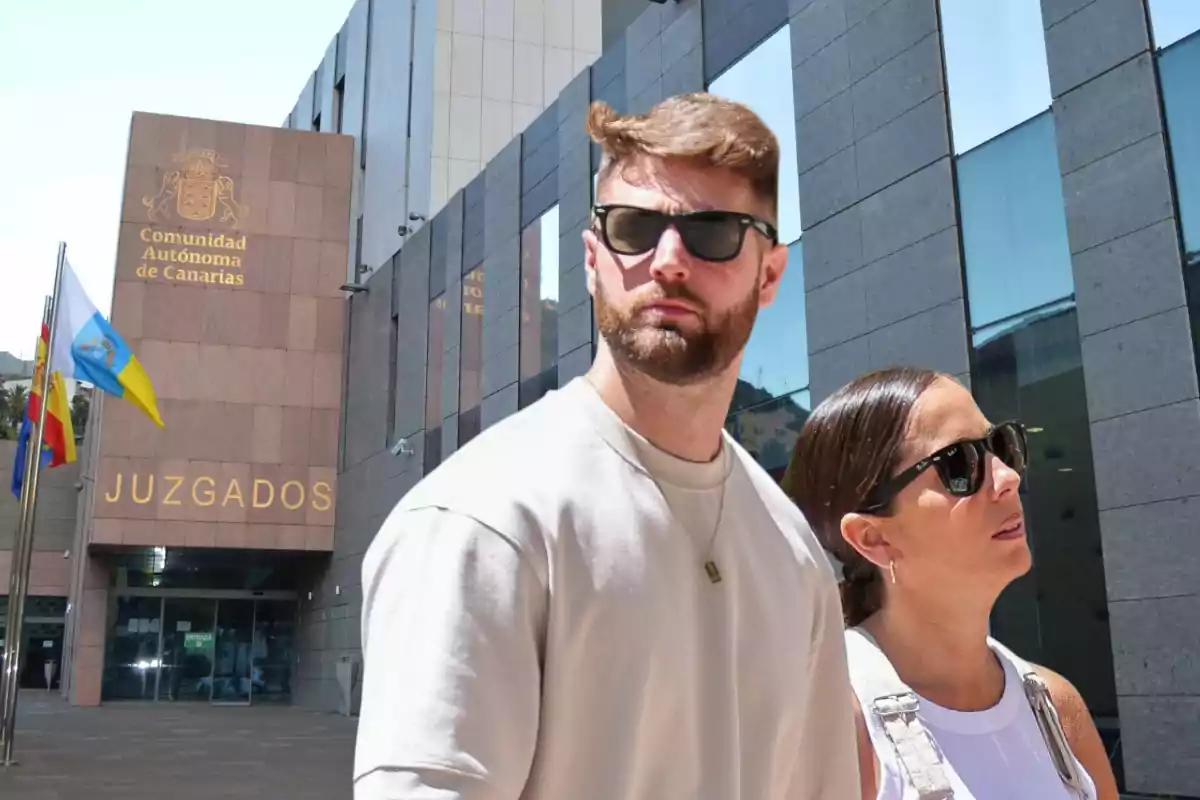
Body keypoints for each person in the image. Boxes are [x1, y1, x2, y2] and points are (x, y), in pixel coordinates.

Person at [353, 93, 860, 799]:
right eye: (634, 228)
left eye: (712, 231)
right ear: (593, 259)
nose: (669, 260)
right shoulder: (482, 521)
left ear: (769, 272)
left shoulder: (793, 551)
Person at [783, 367, 1120, 800]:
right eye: (959, 463)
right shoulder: (828, 723)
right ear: (874, 538)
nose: (1007, 478)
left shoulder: (1055, 705)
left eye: (1000, 446)